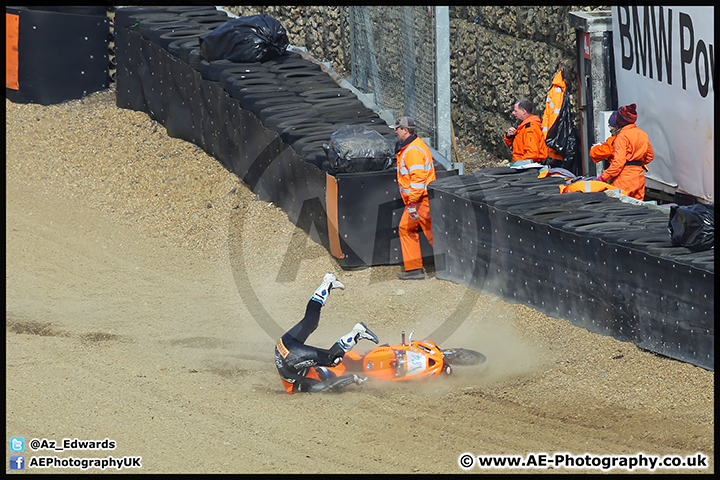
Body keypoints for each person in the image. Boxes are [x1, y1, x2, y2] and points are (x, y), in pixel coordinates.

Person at [274, 273, 379, 394]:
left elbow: (327, 386)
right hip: (281, 346)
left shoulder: (303, 386)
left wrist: (353, 379)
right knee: (310, 321)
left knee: (332, 360)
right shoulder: (304, 373)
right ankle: (327, 284)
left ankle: (357, 333)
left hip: (290, 358)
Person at [391, 116, 437, 280]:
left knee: (427, 233)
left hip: (419, 201)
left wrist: (412, 203)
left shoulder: (412, 151)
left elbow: (418, 180)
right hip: (421, 200)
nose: (396, 131)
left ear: (405, 130)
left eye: (398, 128)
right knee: (426, 232)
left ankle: (415, 270)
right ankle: (414, 269)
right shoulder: (415, 146)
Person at [595, 103, 654, 200]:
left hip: (624, 178)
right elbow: (650, 156)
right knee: (639, 209)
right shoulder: (643, 134)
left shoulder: (622, 137)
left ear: (620, 120)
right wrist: (637, 164)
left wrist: (602, 178)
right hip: (639, 177)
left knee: (622, 209)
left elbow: (618, 163)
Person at [504, 98, 549, 167]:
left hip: (528, 168)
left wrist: (518, 164)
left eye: (516, 111)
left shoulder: (530, 128)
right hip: (523, 166)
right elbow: (515, 148)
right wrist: (509, 137)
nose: (513, 113)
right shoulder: (523, 127)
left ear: (523, 111)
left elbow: (532, 154)